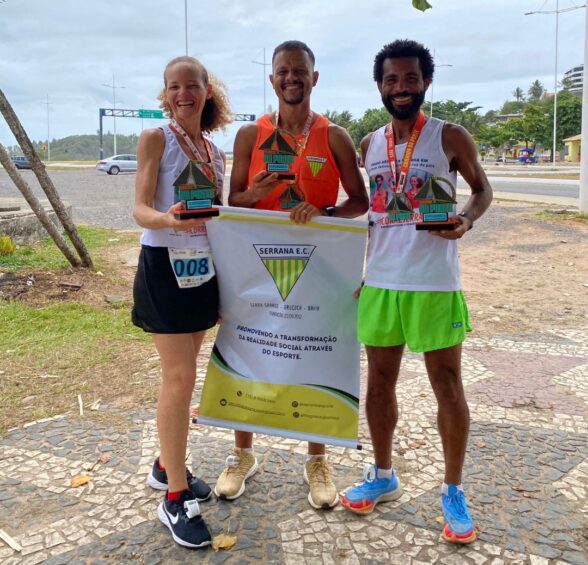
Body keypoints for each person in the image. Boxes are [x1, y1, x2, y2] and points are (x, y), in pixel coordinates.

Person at [340, 40, 492, 545]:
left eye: (410, 79)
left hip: (433, 283)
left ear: (426, 82)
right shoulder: (369, 144)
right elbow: (366, 209)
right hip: (381, 282)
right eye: (391, 80)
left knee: (447, 386)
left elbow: (482, 189)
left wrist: (465, 221)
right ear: (379, 86)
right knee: (379, 383)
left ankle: (453, 490)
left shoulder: (450, 135)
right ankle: (383, 474)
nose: (400, 88)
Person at [218, 40, 369, 510]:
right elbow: (232, 201)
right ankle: (242, 455)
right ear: (272, 79)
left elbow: (359, 201)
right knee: (247, 347)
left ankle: (317, 460)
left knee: (313, 351)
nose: (291, 78)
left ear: (314, 78)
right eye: (283, 71)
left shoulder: (335, 136)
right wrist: (254, 193)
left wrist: (326, 212)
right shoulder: (250, 134)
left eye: (299, 70)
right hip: (255, 264)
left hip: (316, 263)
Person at [132, 55, 232, 549]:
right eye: (173, 86)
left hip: (203, 269)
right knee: (180, 377)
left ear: (206, 91)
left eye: (191, 85)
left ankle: (165, 464)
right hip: (164, 266)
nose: (182, 94)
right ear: (166, 94)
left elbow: (219, 215)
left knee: (188, 370)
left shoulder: (215, 151)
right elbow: (139, 209)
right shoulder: (156, 137)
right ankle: (174, 497)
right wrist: (168, 219)